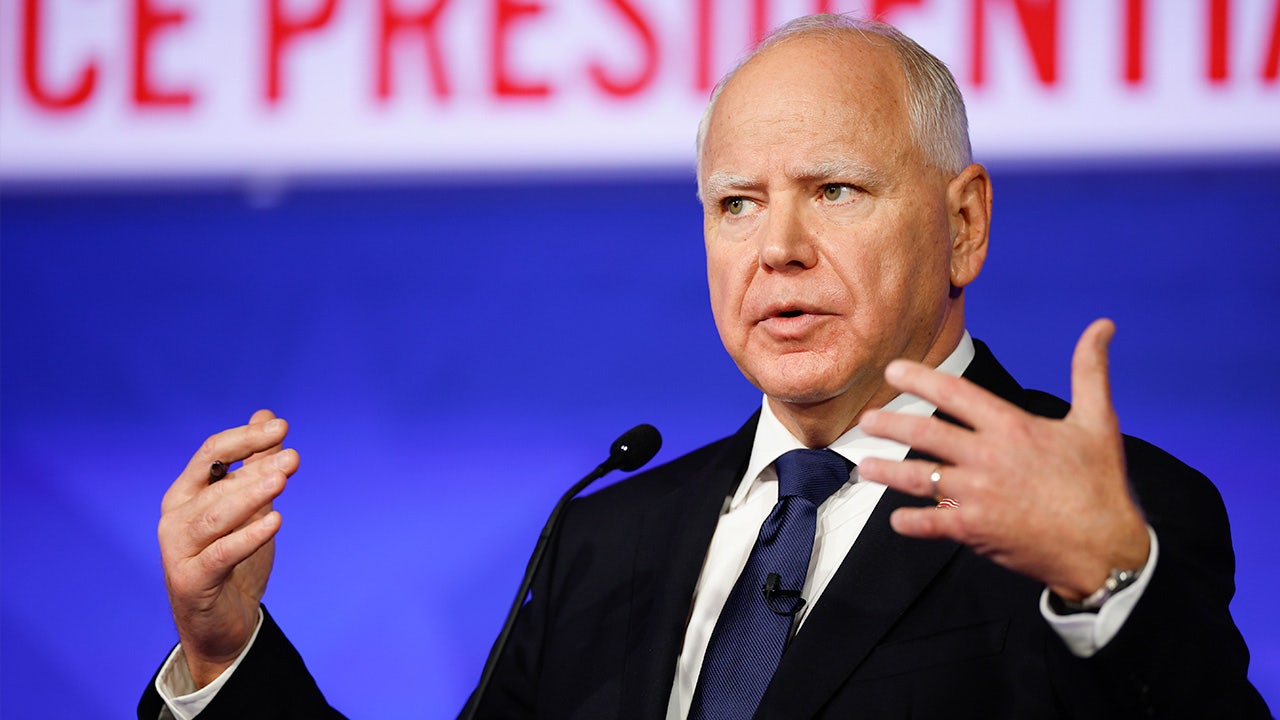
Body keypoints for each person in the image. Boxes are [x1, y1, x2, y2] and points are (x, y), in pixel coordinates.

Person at [138, 14, 1272, 720]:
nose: (777, 247)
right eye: (736, 204)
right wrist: (224, 655)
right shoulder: (604, 541)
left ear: (962, 225)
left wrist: (1107, 583)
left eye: (834, 191)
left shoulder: (1115, 513)